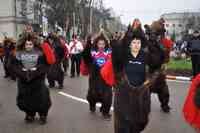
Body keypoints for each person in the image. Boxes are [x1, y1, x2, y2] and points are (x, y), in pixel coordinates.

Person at [101, 25, 164, 132]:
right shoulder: (124, 55)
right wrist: (122, 38)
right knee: (123, 126)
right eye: (133, 42)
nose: (136, 45)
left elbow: (159, 60)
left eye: (138, 43)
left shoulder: (145, 56)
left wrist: (154, 42)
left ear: (141, 44)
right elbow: (116, 56)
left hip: (140, 96)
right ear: (130, 44)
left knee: (138, 125)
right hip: (123, 96)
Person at [10, 32, 51, 124]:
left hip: (37, 81)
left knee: (41, 99)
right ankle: (30, 114)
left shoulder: (40, 53)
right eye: (27, 44)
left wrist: (34, 72)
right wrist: (22, 72)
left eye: (30, 44)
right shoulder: (18, 54)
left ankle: (43, 115)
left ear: (34, 44)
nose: (28, 46)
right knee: (25, 100)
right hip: (23, 81)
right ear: (23, 44)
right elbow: (13, 65)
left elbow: (45, 65)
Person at [82, 34, 113, 120]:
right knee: (92, 95)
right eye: (100, 44)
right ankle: (92, 105)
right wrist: (88, 43)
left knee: (107, 96)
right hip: (94, 79)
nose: (101, 46)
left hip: (106, 79)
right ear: (96, 44)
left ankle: (105, 112)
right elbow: (85, 56)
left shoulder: (110, 54)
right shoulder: (92, 54)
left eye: (103, 44)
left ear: (105, 44)